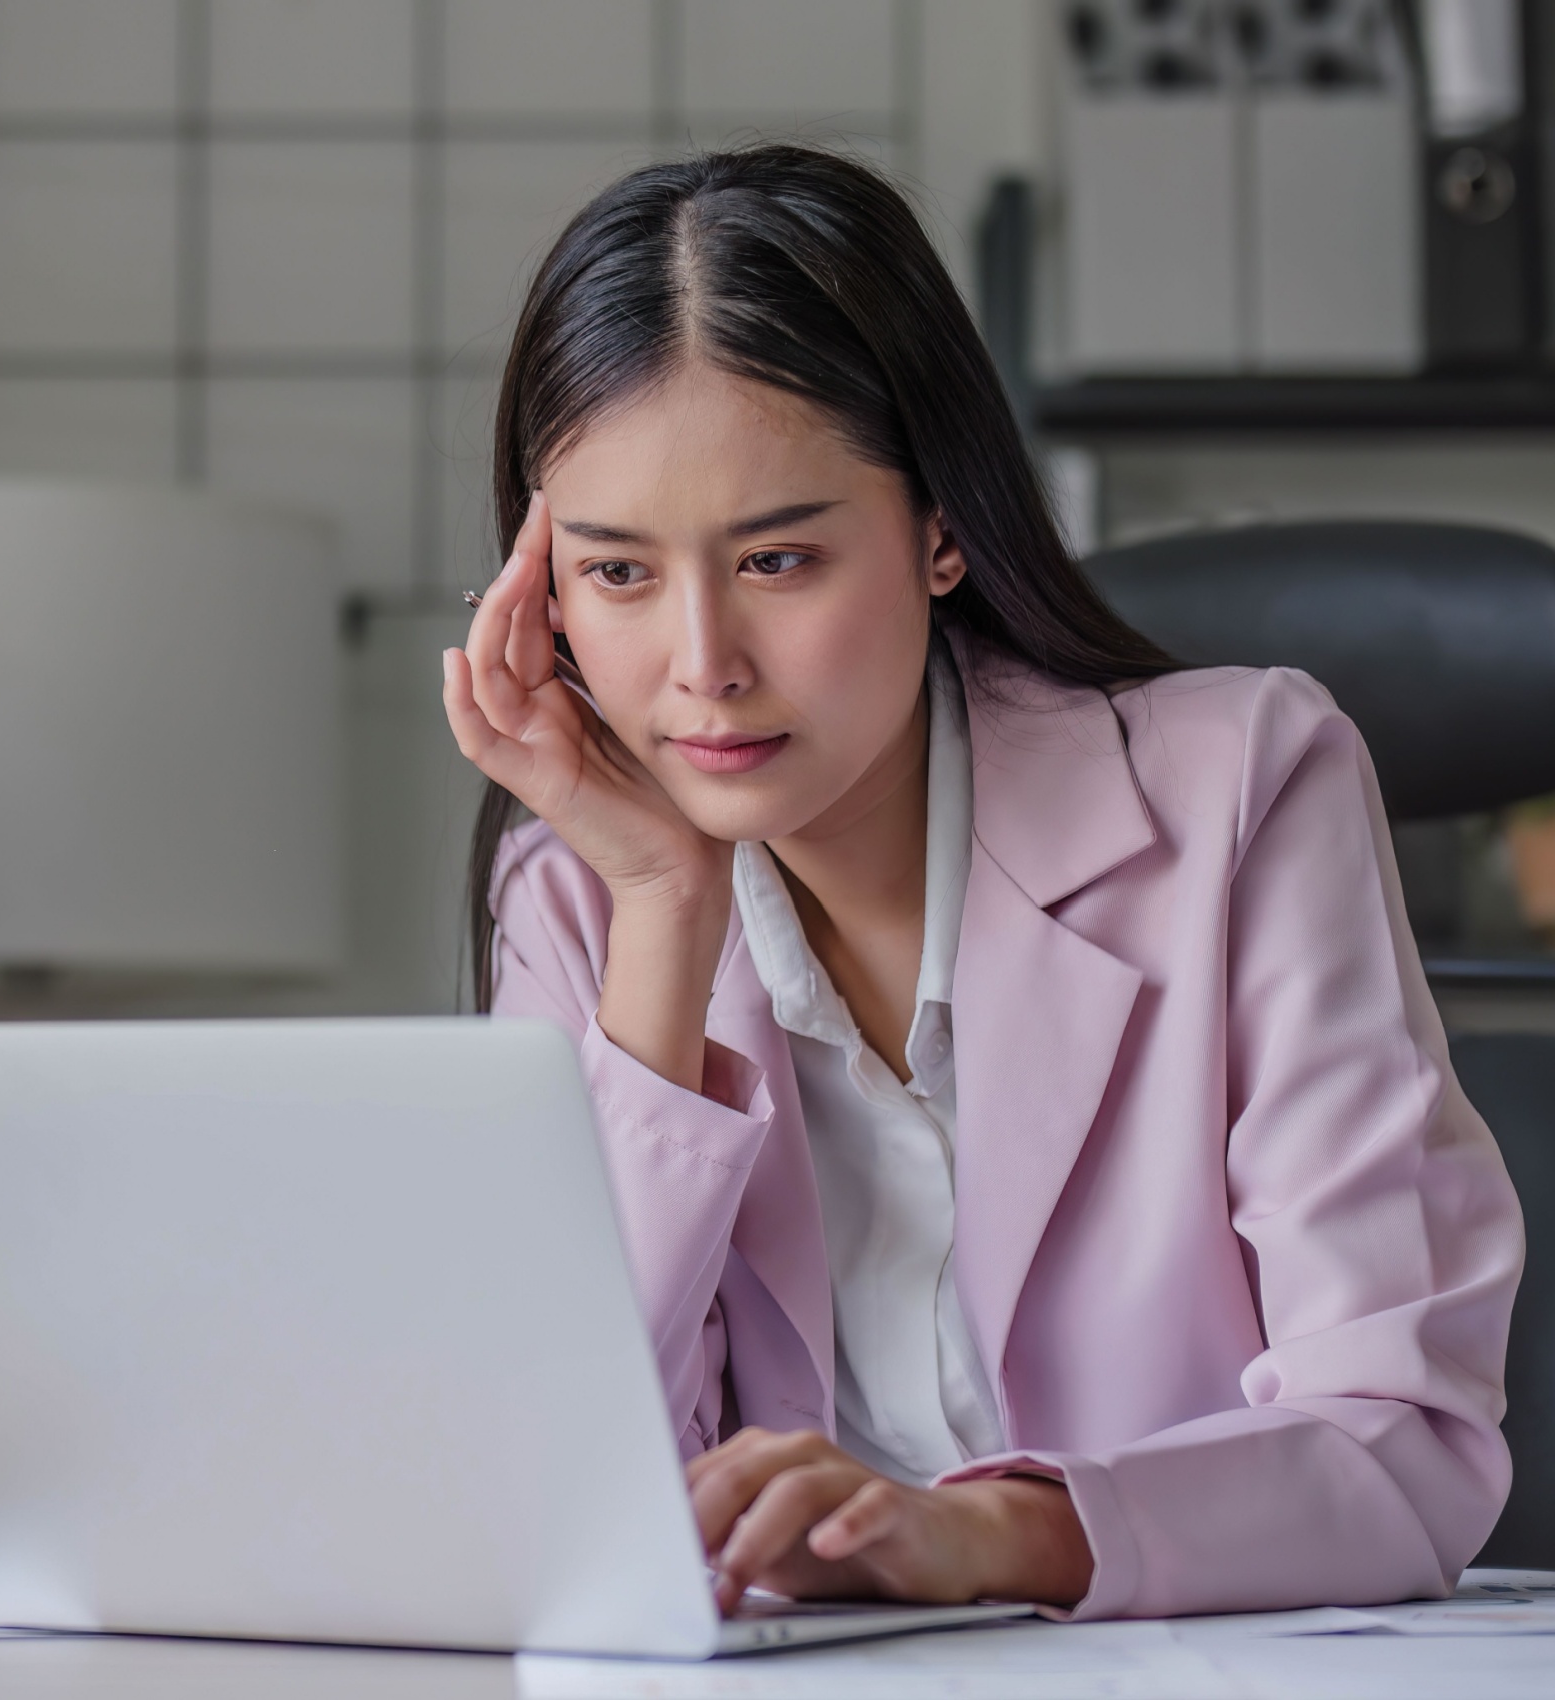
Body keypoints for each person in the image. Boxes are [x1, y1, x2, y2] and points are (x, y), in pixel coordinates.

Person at [440, 144, 1524, 1620]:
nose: (700, 669)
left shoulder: (1247, 789)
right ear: (543, 589)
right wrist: (664, 916)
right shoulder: (576, 899)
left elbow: (1400, 1441)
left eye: (778, 561)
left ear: (940, 527)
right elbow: (562, 1494)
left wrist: (986, 1538)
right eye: (619, 574)